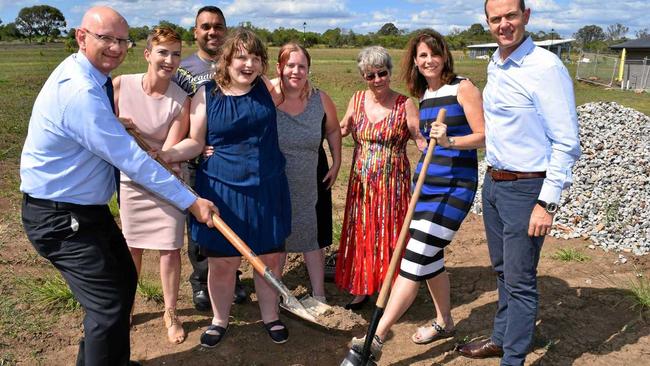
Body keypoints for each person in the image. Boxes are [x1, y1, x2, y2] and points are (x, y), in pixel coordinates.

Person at [19, 6, 217, 366]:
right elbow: (133, 161)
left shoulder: (92, 77)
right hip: (60, 216)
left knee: (123, 280)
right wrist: (191, 202)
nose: (115, 47)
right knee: (109, 303)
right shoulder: (80, 90)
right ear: (82, 37)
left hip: (84, 210)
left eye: (121, 40)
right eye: (105, 38)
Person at [456, 1, 581, 365]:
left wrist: (547, 202)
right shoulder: (496, 62)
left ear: (526, 17)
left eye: (511, 16)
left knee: (521, 280)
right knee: (503, 271)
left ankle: (512, 359)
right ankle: (501, 338)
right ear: (487, 22)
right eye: (496, 18)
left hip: (527, 190)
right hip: (495, 184)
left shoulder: (545, 68)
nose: (504, 24)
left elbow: (566, 142)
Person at [349, 29, 486, 360]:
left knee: (413, 258)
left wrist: (451, 140)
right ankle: (445, 321)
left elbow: (484, 136)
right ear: (415, 61)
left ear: (444, 56)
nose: (428, 61)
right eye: (422, 56)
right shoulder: (425, 95)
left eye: (433, 54)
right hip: (424, 188)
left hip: (454, 189)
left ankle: (376, 339)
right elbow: (424, 143)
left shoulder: (462, 88)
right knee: (431, 258)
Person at [187, 28, 292, 347]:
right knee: (222, 263)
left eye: (255, 58)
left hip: (266, 189)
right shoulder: (205, 93)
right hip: (222, 191)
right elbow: (194, 140)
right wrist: (166, 153)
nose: (248, 64)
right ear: (226, 59)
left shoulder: (267, 89)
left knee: (270, 260)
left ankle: (270, 316)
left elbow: (299, 78)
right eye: (241, 57)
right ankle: (220, 320)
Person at [113, 26, 189, 345]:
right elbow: (100, 126)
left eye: (175, 54)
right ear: (147, 54)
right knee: (133, 246)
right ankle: (127, 306)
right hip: (131, 181)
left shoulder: (182, 100)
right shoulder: (120, 86)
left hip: (167, 179)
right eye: (163, 52)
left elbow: (166, 155)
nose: (169, 60)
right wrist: (116, 125)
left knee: (170, 249)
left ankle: (170, 311)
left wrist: (158, 153)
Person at [335, 46, 426, 310]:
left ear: (390, 72)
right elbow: (341, 128)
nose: (377, 80)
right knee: (362, 232)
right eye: (370, 75)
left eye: (382, 73)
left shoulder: (404, 104)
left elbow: (420, 139)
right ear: (364, 77)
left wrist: (442, 143)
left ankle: (391, 290)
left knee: (389, 234)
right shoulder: (356, 100)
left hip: (393, 185)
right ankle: (362, 287)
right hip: (361, 185)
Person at [172, 5, 247, 309]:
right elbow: (173, 113)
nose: (212, 32)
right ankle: (202, 281)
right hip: (196, 159)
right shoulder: (184, 70)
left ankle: (233, 278)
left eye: (218, 26)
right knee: (202, 221)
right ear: (196, 32)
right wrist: (193, 142)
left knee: (231, 217)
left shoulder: (237, 65)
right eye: (206, 26)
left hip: (230, 159)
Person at [270, 43, 342, 303]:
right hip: (275, 179)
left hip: (310, 175)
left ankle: (319, 296)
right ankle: (277, 295)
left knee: (312, 237)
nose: (296, 71)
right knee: (277, 241)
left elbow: (333, 129)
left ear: (308, 69)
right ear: (279, 67)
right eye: (290, 65)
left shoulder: (319, 99)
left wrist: (336, 161)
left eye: (302, 66)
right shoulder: (268, 95)